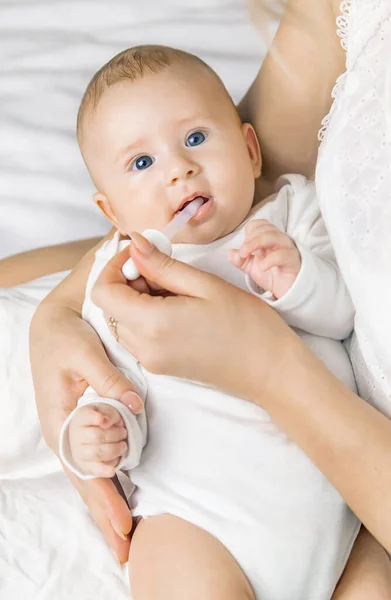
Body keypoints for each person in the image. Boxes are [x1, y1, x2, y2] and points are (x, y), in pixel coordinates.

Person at [8, 0, 389, 597]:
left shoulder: (291, 211)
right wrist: (97, 430)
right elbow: (115, 384)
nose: (180, 170)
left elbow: (341, 313)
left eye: (194, 138)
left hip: (336, 514)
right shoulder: (125, 275)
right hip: (198, 517)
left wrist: (295, 280)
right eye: (141, 162)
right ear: (112, 214)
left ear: (250, 151)